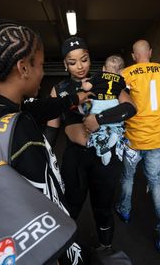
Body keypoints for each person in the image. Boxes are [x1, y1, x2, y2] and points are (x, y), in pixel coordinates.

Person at [0, 19, 92, 264]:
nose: (43, 72)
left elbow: (42, 107)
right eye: (40, 65)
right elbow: (45, 213)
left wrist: (75, 97)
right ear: (23, 68)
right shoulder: (22, 131)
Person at [46, 36, 136, 251]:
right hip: (75, 158)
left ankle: (105, 249)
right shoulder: (59, 89)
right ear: (65, 64)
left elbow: (130, 108)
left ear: (90, 59)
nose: (80, 66)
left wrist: (100, 119)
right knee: (70, 206)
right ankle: (63, 251)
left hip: (105, 158)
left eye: (84, 59)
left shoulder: (108, 80)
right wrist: (43, 158)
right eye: (72, 62)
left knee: (103, 208)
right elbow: (52, 128)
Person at [114, 39, 160, 255]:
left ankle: (124, 212)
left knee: (127, 178)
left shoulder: (127, 74)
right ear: (150, 52)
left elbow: (121, 104)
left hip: (133, 139)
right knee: (156, 182)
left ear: (133, 56)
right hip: (157, 140)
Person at [80, 55, 127, 166]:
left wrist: (83, 82)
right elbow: (123, 91)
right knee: (116, 123)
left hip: (98, 104)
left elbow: (86, 88)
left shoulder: (98, 75)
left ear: (103, 68)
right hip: (113, 104)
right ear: (120, 71)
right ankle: (114, 134)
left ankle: (102, 146)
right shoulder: (121, 79)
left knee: (96, 128)